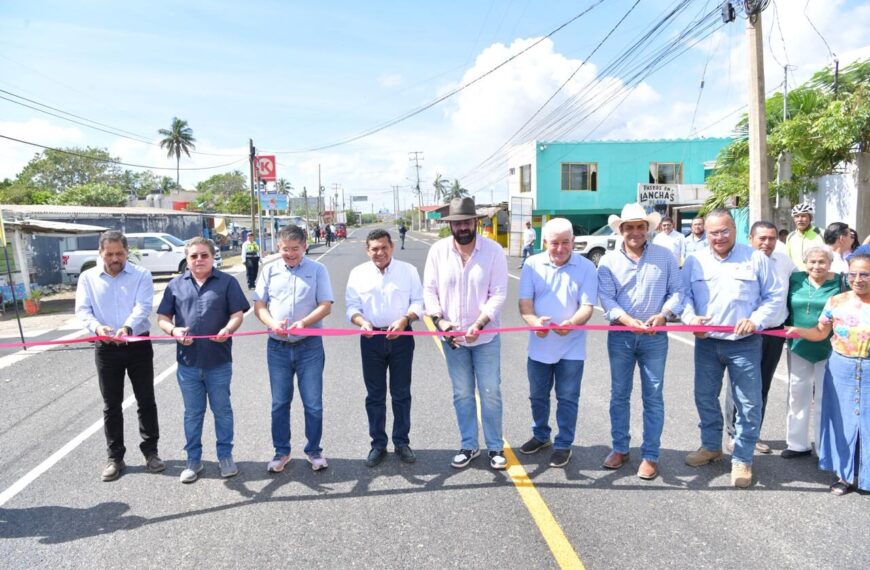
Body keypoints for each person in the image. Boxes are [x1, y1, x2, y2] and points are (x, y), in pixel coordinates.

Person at [681, 208, 784, 488]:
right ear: (706, 232)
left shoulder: (755, 259)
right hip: (706, 343)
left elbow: (774, 296)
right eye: (714, 232)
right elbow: (683, 297)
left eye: (725, 230)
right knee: (704, 397)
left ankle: (742, 458)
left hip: (745, 344)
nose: (719, 237)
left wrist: (756, 320)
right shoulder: (695, 260)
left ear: (735, 231)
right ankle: (711, 446)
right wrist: (691, 319)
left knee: (749, 403)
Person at [597, 204, 683, 480]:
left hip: (655, 337)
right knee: (619, 395)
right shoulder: (608, 261)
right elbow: (607, 299)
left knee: (653, 397)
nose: (635, 232)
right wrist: (626, 320)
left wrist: (664, 314)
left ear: (648, 228)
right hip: (621, 335)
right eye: (629, 227)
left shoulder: (665, 256)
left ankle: (650, 455)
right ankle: (620, 448)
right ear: (621, 230)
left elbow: (678, 292)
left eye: (639, 226)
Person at [423, 197, 509, 470]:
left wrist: (481, 323)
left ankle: (495, 448)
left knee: (490, 391)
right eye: (457, 223)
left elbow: (498, 294)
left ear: (475, 222)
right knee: (461, 393)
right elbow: (429, 291)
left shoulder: (494, 251)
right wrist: (441, 322)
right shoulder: (438, 252)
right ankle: (469, 445)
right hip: (453, 339)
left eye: (466, 222)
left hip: (485, 338)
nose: (462, 227)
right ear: (451, 225)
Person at [157, 237, 249, 483]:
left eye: (204, 255)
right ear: (187, 260)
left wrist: (229, 329)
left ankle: (225, 456)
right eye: (194, 256)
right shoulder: (175, 285)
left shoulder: (228, 283)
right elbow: (163, 318)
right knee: (193, 413)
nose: (199, 260)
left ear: (212, 257)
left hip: (218, 362)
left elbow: (237, 314)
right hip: (188, 364)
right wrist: (174, 331)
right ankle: (193, 460)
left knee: (222, 411)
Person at [75, 230, 163, 482]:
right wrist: (97, 328)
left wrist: (127, 328)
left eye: (120, 254)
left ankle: (151, 453)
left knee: (146, 400)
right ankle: (115, 457)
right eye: (109, 254)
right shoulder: (87, 278)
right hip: (106, 348)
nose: (115, 258)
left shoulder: (142, 275)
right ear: (100, 253)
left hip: (137, 344)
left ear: (127, 253)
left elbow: (143, 306)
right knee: (111, 404)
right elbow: (83, 310)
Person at [786, 253, 870, 495]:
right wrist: (799, 330)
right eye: (853, 274)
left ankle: (866, 477)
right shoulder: (836, 301)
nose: (858, 279)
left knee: (866, 423)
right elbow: (821, 333)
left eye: (864, 274)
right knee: (842, 423)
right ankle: (843, 476)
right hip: (840, 368)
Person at [518, 218, 597, 468]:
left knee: (568, 397)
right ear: (544, 242)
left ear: (573, 241)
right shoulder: (532, 264)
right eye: (555, 243)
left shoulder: (586, 267)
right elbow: (525, 304)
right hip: (539, 344)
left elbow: (587, 307)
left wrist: (572, 322)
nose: (561, 248)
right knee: (537, 395)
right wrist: (533, 322)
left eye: (566, 242)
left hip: (572, 345)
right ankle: (541, 435)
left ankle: (563, 444)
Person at [254, 224, 334, 474]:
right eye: (285, 249)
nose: (290, 254)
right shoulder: (269, 270)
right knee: (280, 402)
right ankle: (281, 451)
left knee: (313, 403)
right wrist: (272, 324)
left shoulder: (318, 270)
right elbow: (259, 305)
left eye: (295, 249)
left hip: (309, 345)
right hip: (277, 347)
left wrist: (304, 322)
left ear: (304, 246)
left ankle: (314, 450)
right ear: (278, 247)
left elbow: (325, 305)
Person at [346, 229, 423, 467]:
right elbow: (351, 307)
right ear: (367, 250)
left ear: (391, 246)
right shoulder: (358, 274)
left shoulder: (408, 271)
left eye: (384, 247)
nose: (379, 253)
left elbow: (418, 302)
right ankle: (378, 444)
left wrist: (405, 319)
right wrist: (362, 322)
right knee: (375, 395)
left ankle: (401, 442)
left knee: (401, 393)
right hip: (371, 339)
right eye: (374, 249)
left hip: (401, 337)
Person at [723, 221, 796, 454]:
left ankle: (752, 434)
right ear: (751, 239)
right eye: (762, 238)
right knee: (739, 385)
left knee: (762, 385)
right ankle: (734, 433)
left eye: (772, 238)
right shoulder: (740, 260)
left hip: (774, 332)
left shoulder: (784, 262)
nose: (767, 243)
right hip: (745, 333)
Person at [782, 246, 841, 459]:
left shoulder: (840, 282)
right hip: (798, 346)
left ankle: (824, 446)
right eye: (812, 262)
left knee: (825, 397)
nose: (817, 266)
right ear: (805, 263)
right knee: (797, 394)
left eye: (822, 262)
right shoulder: (795, 279)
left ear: (830, 263)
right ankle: (797, 444)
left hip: (830, 347)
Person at [785, 202, 824, 271]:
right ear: (794, 219)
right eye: (797, 216)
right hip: (796, 277)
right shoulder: (790, 237)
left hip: (817, 276)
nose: (800, 219)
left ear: (810, 218)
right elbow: (787, 259)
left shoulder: (821, 233)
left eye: (803, 216)